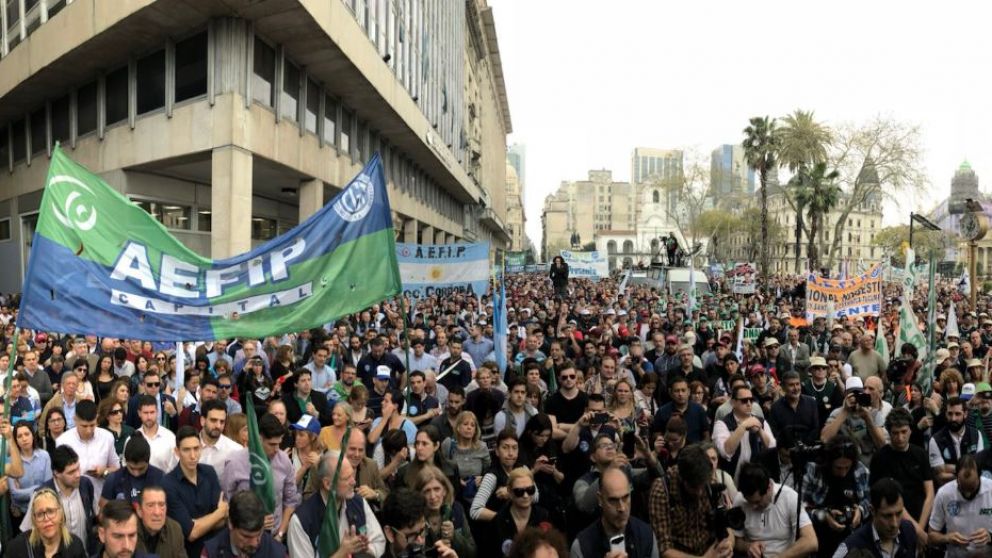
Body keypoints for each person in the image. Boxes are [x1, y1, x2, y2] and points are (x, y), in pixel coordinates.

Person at [287, 449, 388, 558]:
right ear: (328, 484)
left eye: (352, 475)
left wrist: (363, 549)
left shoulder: (358, 502)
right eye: (347, 478)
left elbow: (379, 541)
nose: (353, 482)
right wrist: (342, 553)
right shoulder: (301, 521)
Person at [222, 413, 301, 540]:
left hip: (275, 537)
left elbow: (290, 501)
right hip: (244, 536)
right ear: (258, 439)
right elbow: (226, 504)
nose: (277, 449)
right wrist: (254, 521)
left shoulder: (284, 461)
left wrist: (281, 533)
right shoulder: (234, 463)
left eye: (279, 443)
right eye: (272, 444)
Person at [648, 443, 735, 558]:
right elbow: (664, 549)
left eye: (702, 487)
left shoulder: (708, 480)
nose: (700, 493)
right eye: (694, 487)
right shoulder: (662, 490)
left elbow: (726, 526)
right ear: (682, 478)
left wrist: (728, 544)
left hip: (711, 548)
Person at [868, 408, 933, 541]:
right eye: (895, 433)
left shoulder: (920, 454)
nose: (900, 437)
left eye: (904, 432)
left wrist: (920, 529)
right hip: (894, 522)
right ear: (889, 432)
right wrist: (918, 533)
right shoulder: (880, 458)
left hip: (922, 518)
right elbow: (889, 500)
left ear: (910, 430)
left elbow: (930, 493)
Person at [162, 426, 228, 558]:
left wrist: (198, 524)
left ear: (201, 448)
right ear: (177, 452)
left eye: (196, 448)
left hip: (217, 551)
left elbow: (223, 520)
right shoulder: (168, 484)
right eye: (186, 450)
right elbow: (191, 533)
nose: (193, 456)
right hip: (188, 553)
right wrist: (218, 513)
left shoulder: (209, 472)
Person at [801, 434, 870, 558]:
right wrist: (824, 516)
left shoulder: (860, 470)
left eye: (847, 467)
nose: (843, 473)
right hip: (820, 538)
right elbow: (800, 507)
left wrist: (860, 511)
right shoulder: (814, 471)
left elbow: (871, 500)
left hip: (852, 540)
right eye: (838, 468)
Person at [731, 462, 818, 558]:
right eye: (749, 502)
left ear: (769, 487)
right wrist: (748, 546)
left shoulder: (789, 497)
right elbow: (735, 541)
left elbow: (811, 541)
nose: (753, 507)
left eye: (757, 502)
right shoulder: (740, 500)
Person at [571, 466, 659, 558]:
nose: (622, 508)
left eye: (626, 497)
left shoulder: (646, 535)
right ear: (600, 499)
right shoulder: (582, 547)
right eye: (613, 500)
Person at [20, 445, 94, 551]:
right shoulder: (41, 495)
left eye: (78, 468)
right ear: (56, 473)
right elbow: (28, 532)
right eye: (71, 472)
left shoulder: (86, 485)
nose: (78, 474)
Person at [833, 478, 918, 558]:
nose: (894, 524)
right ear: (872, 510)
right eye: (887, 516)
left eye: (899, 514)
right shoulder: (850, 547)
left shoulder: (908, 531)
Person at [54, 398, 120, 500]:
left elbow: (117, 468)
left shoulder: (107, 437)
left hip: (100, 498)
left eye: (92, 425)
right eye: (84, 426)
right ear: (75, 420)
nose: (88, 430)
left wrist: (104, 471)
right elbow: (58, 476)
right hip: (73, 500)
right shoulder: (63, 441)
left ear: (97, 419)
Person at [927, 454, 992, 557]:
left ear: (980, 476)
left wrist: (990, 536)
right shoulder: (944, 494)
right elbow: (931, 536)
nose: (968, 494)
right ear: (956, 478)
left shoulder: (990, 489)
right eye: (963, 488)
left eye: (971, 488)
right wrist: (947, 538)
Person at [713, 384, 776, 482]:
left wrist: (760, 431)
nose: (749, 403)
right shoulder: (722, 424)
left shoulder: (760, 421)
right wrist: (743, 426)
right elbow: (725, 452)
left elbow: (772, 448)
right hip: (731, 480)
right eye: (744, 400)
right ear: (733, 402)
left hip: (756, 480)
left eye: (751, 400)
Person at [821, 377, 888, 467]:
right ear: (845, 394)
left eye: (858, 393)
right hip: (844, 463)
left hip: (867, 463)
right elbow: (825, 439)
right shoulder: (837, 413)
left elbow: (881, 445)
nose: (855, 397)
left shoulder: (873, 413)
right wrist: (845, 412)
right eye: (852, 394)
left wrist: (867, 418)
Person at [201, 491, 286, 558]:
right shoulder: (211, 552)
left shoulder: (278, 553)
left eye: (259, 534)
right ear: (231, 524)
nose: (254, 543)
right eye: (246, 536)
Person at [7, 486, 87, 558]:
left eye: (51, 511)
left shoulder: (75, 546)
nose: (46, 518)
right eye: (40, 514)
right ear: (34, 520)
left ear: (61, 514)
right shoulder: (17, 548)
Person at [416, 464, 477, 558]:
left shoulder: (456, 510)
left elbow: (472, 553)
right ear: (420, 494)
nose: (433, 496)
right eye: (427, 491)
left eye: (437, 489)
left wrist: (454, 537)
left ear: (444, 490)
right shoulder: (415, 515)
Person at [491, 467, 551, 558]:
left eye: (530, 490)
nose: (525, 496)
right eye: (519, 491)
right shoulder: (498, 521)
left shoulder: (544, 516)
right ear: (510, 492)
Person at [929, 396, 985, 485]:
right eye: (950, 414)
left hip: (973, 488)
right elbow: (940, 476)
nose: (953, 418)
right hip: (947, 490)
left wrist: (947, 467)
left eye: (957, 414)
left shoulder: (976, 435)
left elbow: (979, 467)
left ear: (965, 414)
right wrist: (968, 472)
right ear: (945, 414)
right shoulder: (935, 440)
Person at [98, 434, 165, 510]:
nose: (136, 473)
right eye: (132, 468)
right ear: (126, 462)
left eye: (141, 469)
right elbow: (103, 512)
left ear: (148, 461)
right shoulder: (113, 479)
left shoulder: (160, 478)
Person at [8, 421, 52, 521]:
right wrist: (39, 487)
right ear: (16, 440)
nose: (24, 439)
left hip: (42, 509)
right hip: (21, 512)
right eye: (19, 436)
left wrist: (24, 492)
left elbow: (48, 487)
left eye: (27, 434)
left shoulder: (44, 456)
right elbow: (15, 494)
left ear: (32, 435)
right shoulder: (12, 461)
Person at [768, 369, 820, 446]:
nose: (796, 388)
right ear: (783, 387)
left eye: (797, 384)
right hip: (786, 450)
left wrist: (805, 446)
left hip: (809, 449)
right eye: (791, 385)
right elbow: (775, 432)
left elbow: (815, 428)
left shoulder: (811, 403)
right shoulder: (776, 408)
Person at [652, 376, 710, 443]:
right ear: (670, 392)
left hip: (695, 448)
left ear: (689, 392)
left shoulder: (699, 410)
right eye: (677, 391)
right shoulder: (662, 412)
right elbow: (656, 434)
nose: (680, 394)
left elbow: (706, 435)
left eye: (683, 390)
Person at [135, 485, 187, 558]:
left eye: (161, 505)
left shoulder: (175, 530)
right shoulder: (128, 531)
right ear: (139, 510)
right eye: (150, 505)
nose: (157, 512)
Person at [345, 428, 390, 511]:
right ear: (343, 447)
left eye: (361, 450)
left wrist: (375, 494)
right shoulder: (330, 465)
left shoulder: (371, 466)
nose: (357, 454)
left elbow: (385, 494)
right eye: (352, 449)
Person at [132, 394, 178, 473]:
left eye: (152, 412)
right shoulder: (132, 439)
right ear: (139, 413)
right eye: (145, 413)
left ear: (157, 412)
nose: (149, 417)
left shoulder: (170, 437)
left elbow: (176, 466)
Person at [197, 399, 241, 479]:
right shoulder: (187, 447)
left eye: (222, 421)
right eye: (213, 420)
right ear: (202, 421)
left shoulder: (235, 450)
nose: (218, 426)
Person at [98, 396, 135, 461]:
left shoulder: (130, 431)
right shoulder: (100, 432)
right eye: (115, 412)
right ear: (107, 415)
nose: (119, 414)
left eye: (120, 411)